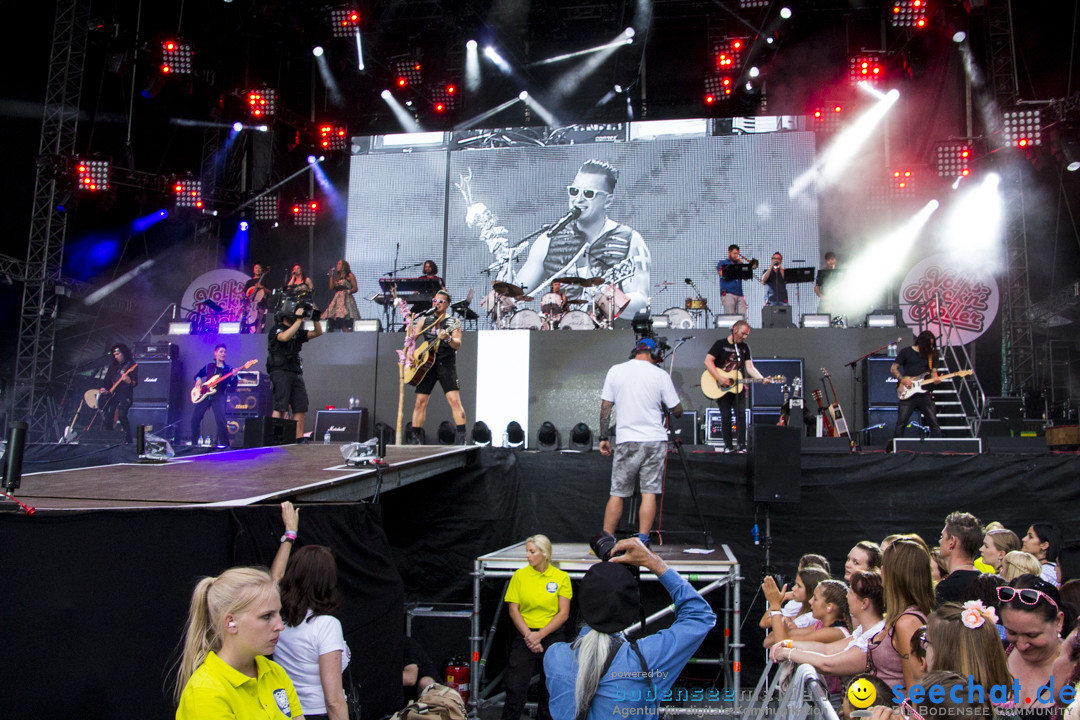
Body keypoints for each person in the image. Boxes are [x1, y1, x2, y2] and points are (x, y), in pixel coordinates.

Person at [543, 538, 715, 720]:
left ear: (582, 604)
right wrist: (652, 561)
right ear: (633, 612)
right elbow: (701, 616)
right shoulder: (646, 660)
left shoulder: (554, 656)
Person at [515, 159, 651, 318]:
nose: (578, 199)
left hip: (609, 336)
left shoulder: (630, 239)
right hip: (556, 337)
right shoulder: (549, 239)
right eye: (574, 191)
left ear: (608, 201)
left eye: (588, 193)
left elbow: (641, 300)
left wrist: (605, 297)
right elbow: (519, 290)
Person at [174, 566, 303, 719]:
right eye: (267, 616)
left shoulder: (274, 672)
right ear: (231, 623)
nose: (280, 626)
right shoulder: (206, 690)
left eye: (278, 613)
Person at [598, 337, 683, 546]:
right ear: (654, 354)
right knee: (649, 492)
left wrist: (603, 437)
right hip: (654, 440)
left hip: (627, 440)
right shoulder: (660, 375)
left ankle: (606, 540)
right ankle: (643, 541)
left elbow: (605, 408)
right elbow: (677, 411)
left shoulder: (615, 371)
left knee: (617, 493)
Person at [270, 502, 350, 720]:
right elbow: (333, 700)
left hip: (287, 712)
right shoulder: (326, 625)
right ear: (328, 583)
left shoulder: (278, 614)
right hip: (318, 713)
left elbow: (275, 579)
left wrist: (290, 534)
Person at [770, 571, 885, 691]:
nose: (847, 596)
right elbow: (827, 650)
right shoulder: (863, 630)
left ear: (865, 603)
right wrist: (788, 644)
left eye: (851, 592)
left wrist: (788, 653)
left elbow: (827, 664)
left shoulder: (876, 635)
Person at [502, 535, 572, 720]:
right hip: (525, 635)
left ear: (544, 553)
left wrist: (539, 635)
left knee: (550, 691)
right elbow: (513, 610)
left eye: (532, 551)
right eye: (527, 551)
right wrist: (529, 636)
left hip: (552, 636)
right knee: (515, 689)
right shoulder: (520, 576)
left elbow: (563, 613)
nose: (527, 555)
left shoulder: (561, 577)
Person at [998, 575, 1071, 709]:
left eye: (1032, 635)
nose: (1021, 645)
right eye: (1012, 633)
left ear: (1058, 622)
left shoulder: (1074, 668)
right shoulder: (997, 655)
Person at [703, 320, 772, 453]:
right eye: (743, 333)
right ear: (735, 330)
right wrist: (719, 378)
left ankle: (741, 445)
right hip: (721, 386)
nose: (745, 337)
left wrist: (761, 379)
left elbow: (749, 367)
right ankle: (728, 446)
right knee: (726, 415)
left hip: (737, 386)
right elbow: (708, 361)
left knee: (741, 414)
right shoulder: (720, 344)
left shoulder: (744, 347)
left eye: (747, 334)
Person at [409, 289, 466, 445]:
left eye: (440, 302)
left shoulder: (453, 322)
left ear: (447, 304)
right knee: (420, 402)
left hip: (445, 363)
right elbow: (411, 339)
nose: (437, 304)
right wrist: (410, 354)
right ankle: (416, 439)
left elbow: (457, 344)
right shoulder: (424, 321)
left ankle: (462, 438)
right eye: (435, 301)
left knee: (454, 400)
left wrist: (447, 338)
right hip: (426, 366)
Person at [268, 296, 323, 440]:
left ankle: (298, 437)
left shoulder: (298, 331)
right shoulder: (277, 329)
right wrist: (298, 321)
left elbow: (318, 333)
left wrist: (314, 318)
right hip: (280, 370)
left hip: (295, 371)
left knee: (300, 404)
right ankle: (275, 437)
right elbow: (284, 337)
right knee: (281, 404)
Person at [890, 330, 943, 440]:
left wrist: (936, 379)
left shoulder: (932, 355)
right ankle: (896, 450)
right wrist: (902, 380)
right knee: (901, 423)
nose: (931, 347)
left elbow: (934, 373)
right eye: (929, 344)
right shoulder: (906, 352)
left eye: (932, 344)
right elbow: (893, 369)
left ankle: (939, 449)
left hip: (924, 392)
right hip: (908, 391)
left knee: (934, 423)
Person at [190, 343, 237, 447]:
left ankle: (225, 446)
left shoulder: (228, 369)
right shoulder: (209, 367)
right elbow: (197, 375)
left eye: (225, 352)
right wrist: (198, 380)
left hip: (218, 395)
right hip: (205, 395)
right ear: (215, 353)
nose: (223, 354)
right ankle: (194, 445)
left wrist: (234, 376)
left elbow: (234, 385)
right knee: (195, 419)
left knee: (221, 421)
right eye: (221, 351)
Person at [935, 511, 983, 604]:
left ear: (952, 542)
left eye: (942, 536)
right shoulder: (988, 584)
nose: (940, 541)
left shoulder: (946, 588)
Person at [98, 343, 138, 443]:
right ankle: (110, 439)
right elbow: (107, 381)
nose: (116, 356)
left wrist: (128, 380)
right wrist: (104, 389)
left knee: (121, 415)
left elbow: (134, 382)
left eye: (118, 354)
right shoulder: (113, 366)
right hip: (112, 395)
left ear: (124, 353)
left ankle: (128, 440)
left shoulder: (131, 365)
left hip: (125, 395)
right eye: (114, 355)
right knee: (107, 417)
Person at [325, 260, 360, 332]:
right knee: (338, 319)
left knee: (346, 319)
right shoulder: (337, 277)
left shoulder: (349, 275)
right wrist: (331, 276)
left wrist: (348, 291)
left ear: (344, 266)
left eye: (339, 264)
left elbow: (355, 288)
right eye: (337, 264)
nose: (337, 265)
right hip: (337, 299)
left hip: (346, 299)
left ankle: (348, 333)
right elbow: (331, 287)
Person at [716, 244, 748, 317]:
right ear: (729, 252)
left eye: (737, 254)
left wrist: (742, 265)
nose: (736, 256)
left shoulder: (739, 264)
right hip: (728, 293)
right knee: (730, 317)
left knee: (743, 316)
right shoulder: (723, 263)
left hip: (740, 294)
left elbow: (746, 277)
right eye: (734, 253)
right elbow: (722, 274)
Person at [243, 262, 273, 333]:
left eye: (259, 268)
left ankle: (258, 336)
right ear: (253, 270)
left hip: (261, 304)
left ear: (262, 270)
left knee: (259, 322)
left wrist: (261, 287)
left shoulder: (264, 280)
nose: (258, 269)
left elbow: (270, 292)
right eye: (256, 268)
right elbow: (244, 293)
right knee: (246, 322)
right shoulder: (249, 282)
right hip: (250, 305)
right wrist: (245, 296)